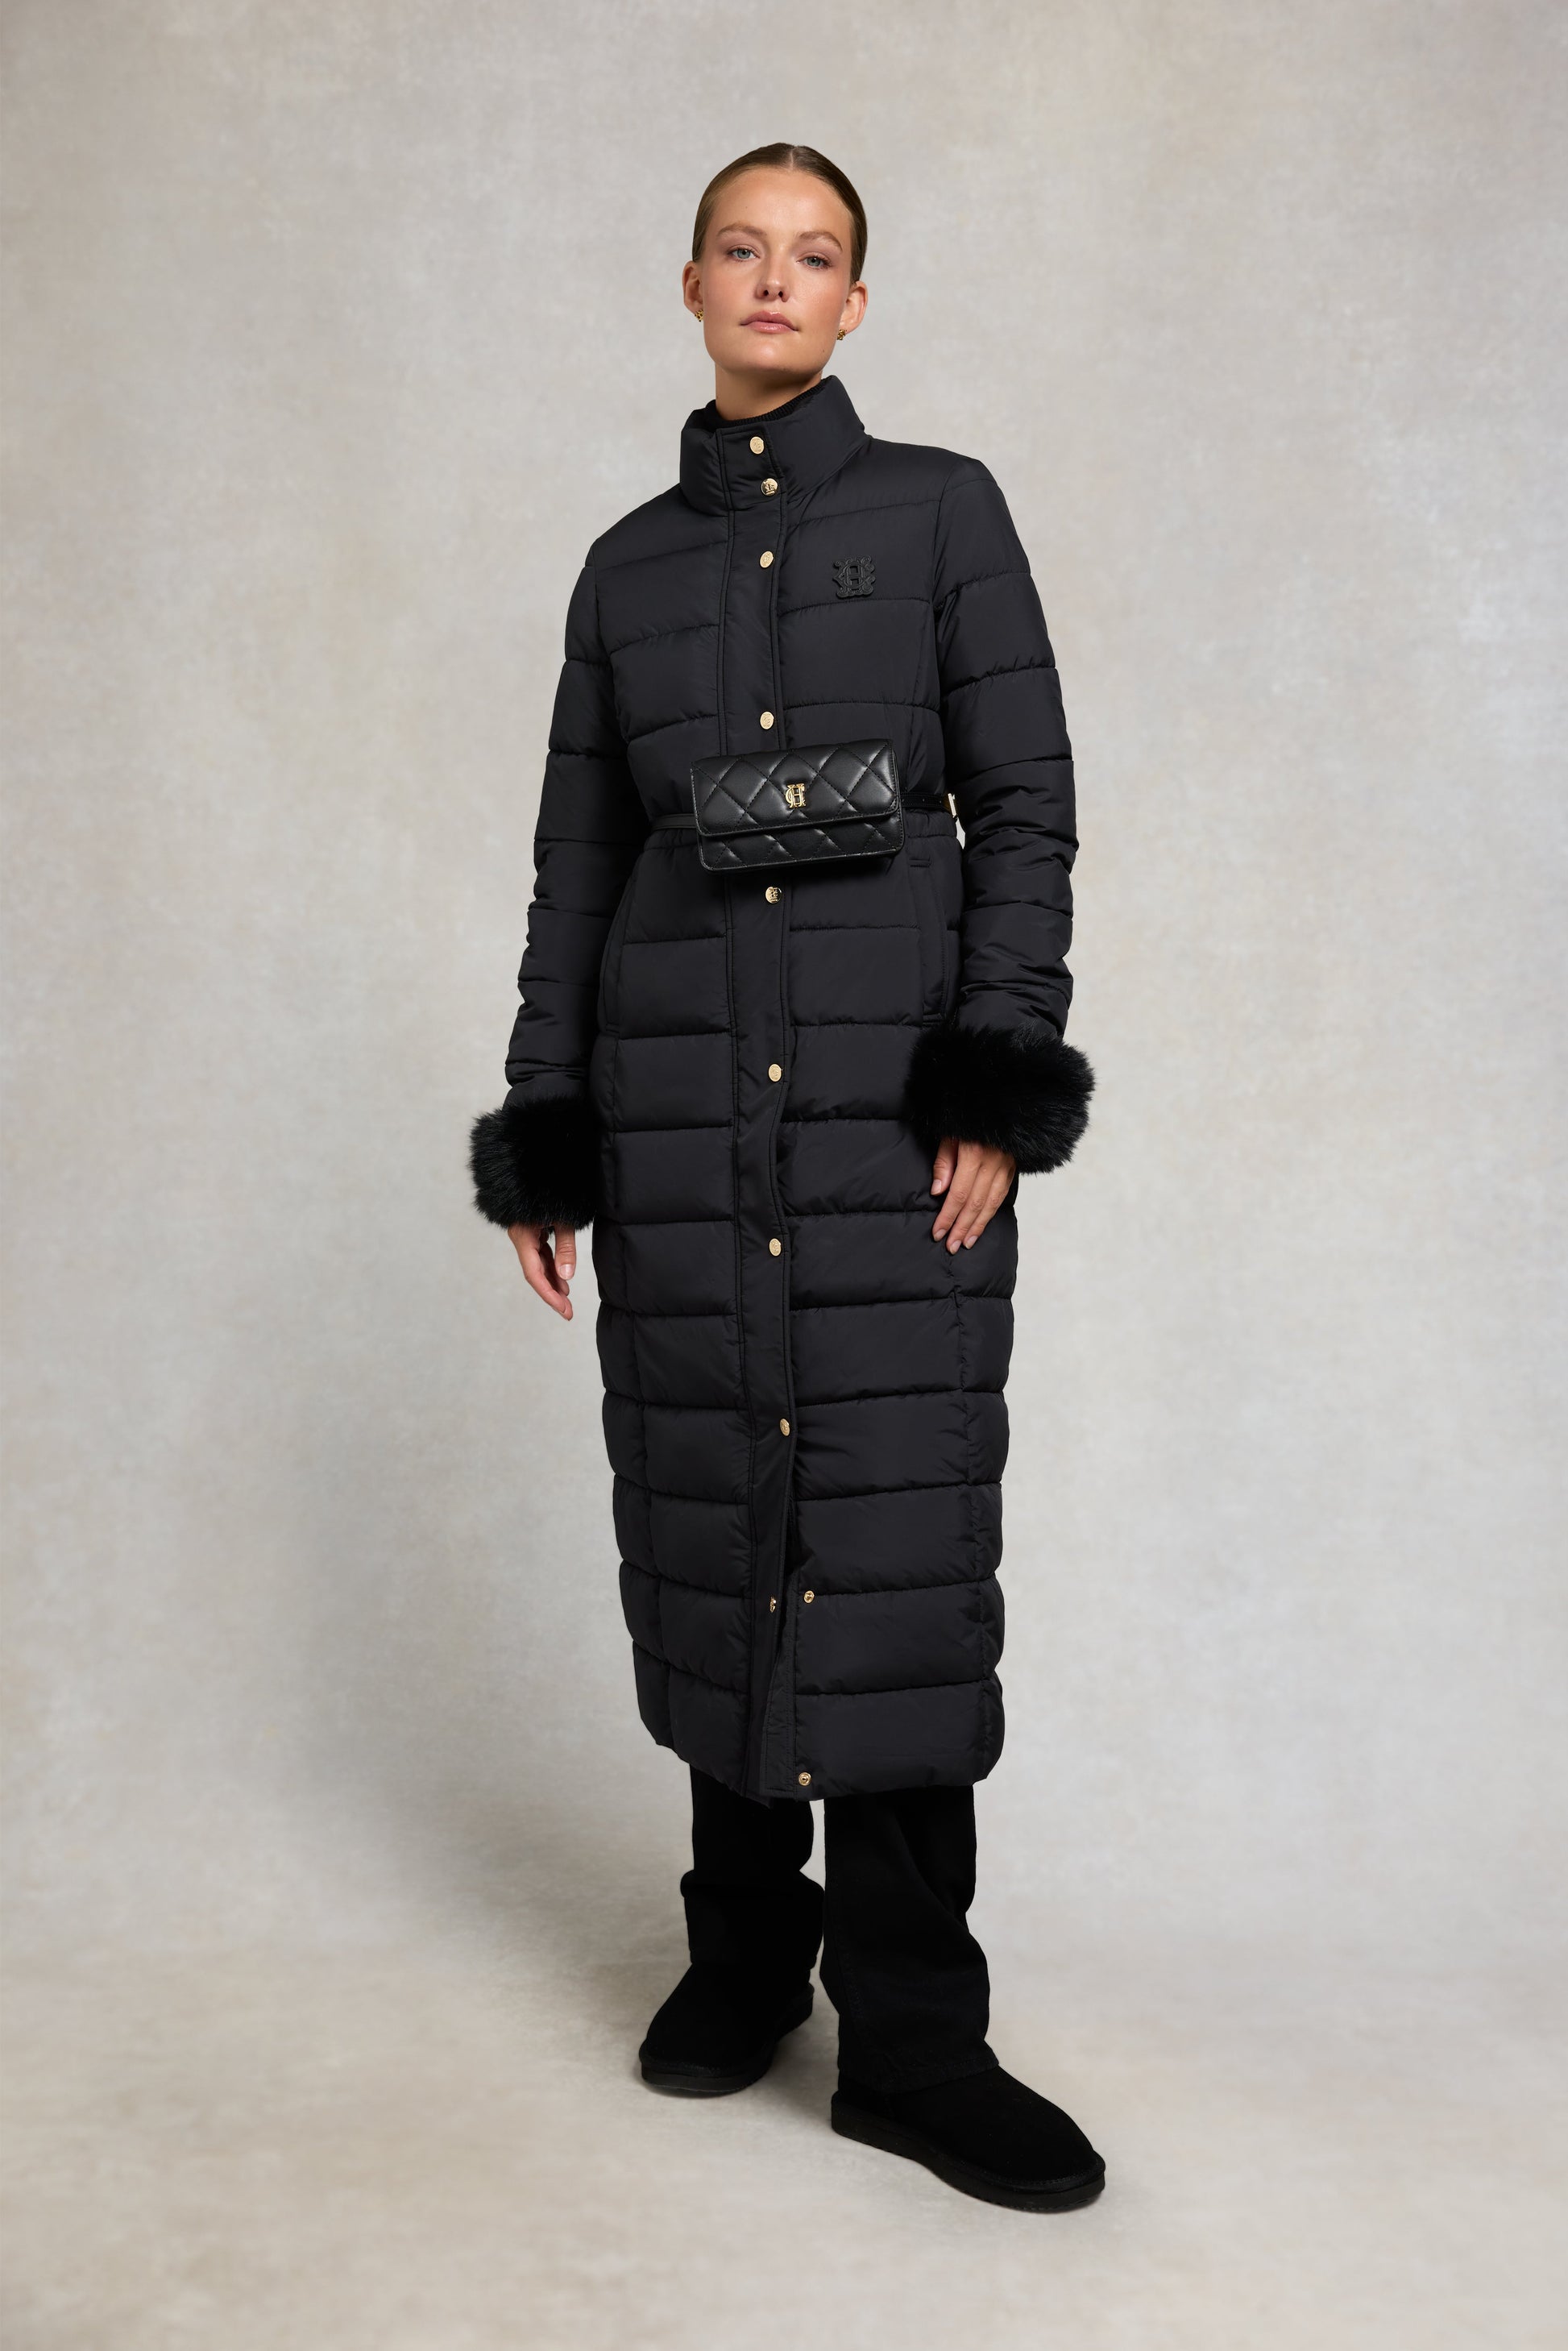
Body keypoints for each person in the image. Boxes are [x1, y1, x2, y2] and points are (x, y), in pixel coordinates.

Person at [470, 143, 1102, 2212]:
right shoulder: (621, 570)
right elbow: (579, 861)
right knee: (708, 1513)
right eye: (739, 249)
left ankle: (916, 2039)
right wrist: (548, 1113)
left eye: (812, 255)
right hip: (672, 1120)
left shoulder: (941, 511)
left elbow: (1025, 801)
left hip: (882, 1112)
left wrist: (994, 1069)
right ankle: (742, 1957)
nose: (773, 279)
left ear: (854, 303)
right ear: (688, 283)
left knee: (895, 1542)